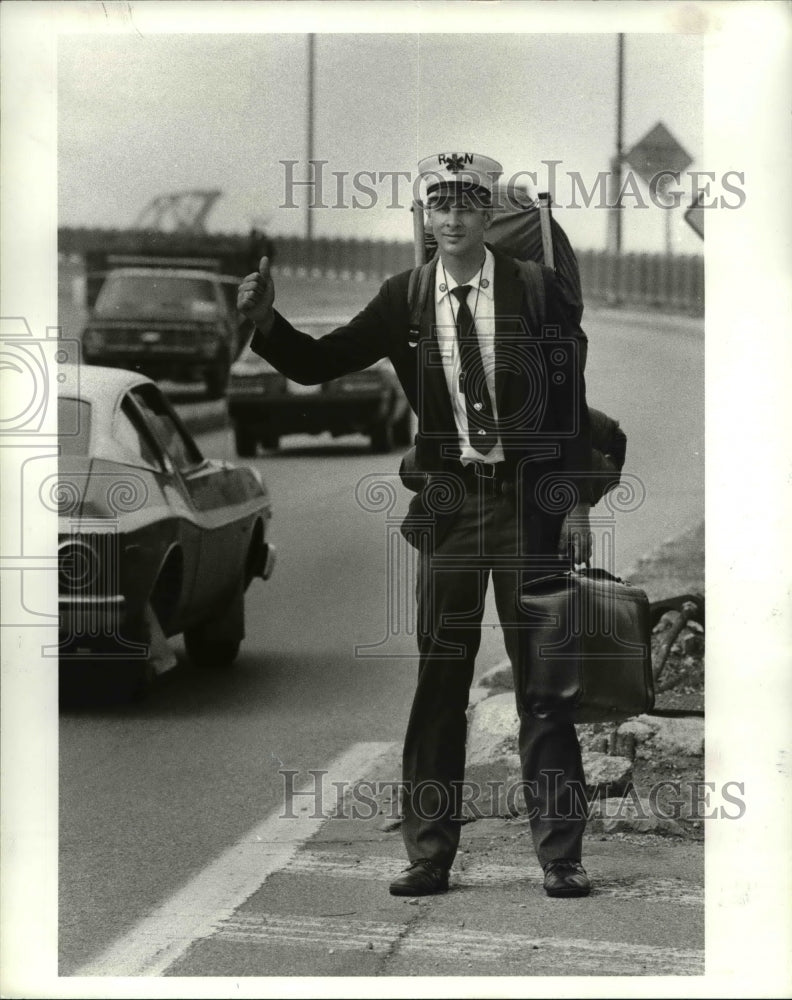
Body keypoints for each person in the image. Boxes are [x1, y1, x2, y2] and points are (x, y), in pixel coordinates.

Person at [238, 152, 594, 899]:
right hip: (452, 508)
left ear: (489, 211)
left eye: (469, 201)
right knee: (440, 681)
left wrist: (575, 505)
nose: (455, 215)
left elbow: (569, 406)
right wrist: (264, 321)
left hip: (529, 507)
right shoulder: (404, 296)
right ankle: (429, 853)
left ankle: (560, 854)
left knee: (543, 688)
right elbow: (315, 362)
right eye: (440, 202)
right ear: (424, 214)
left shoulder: (534, 289)